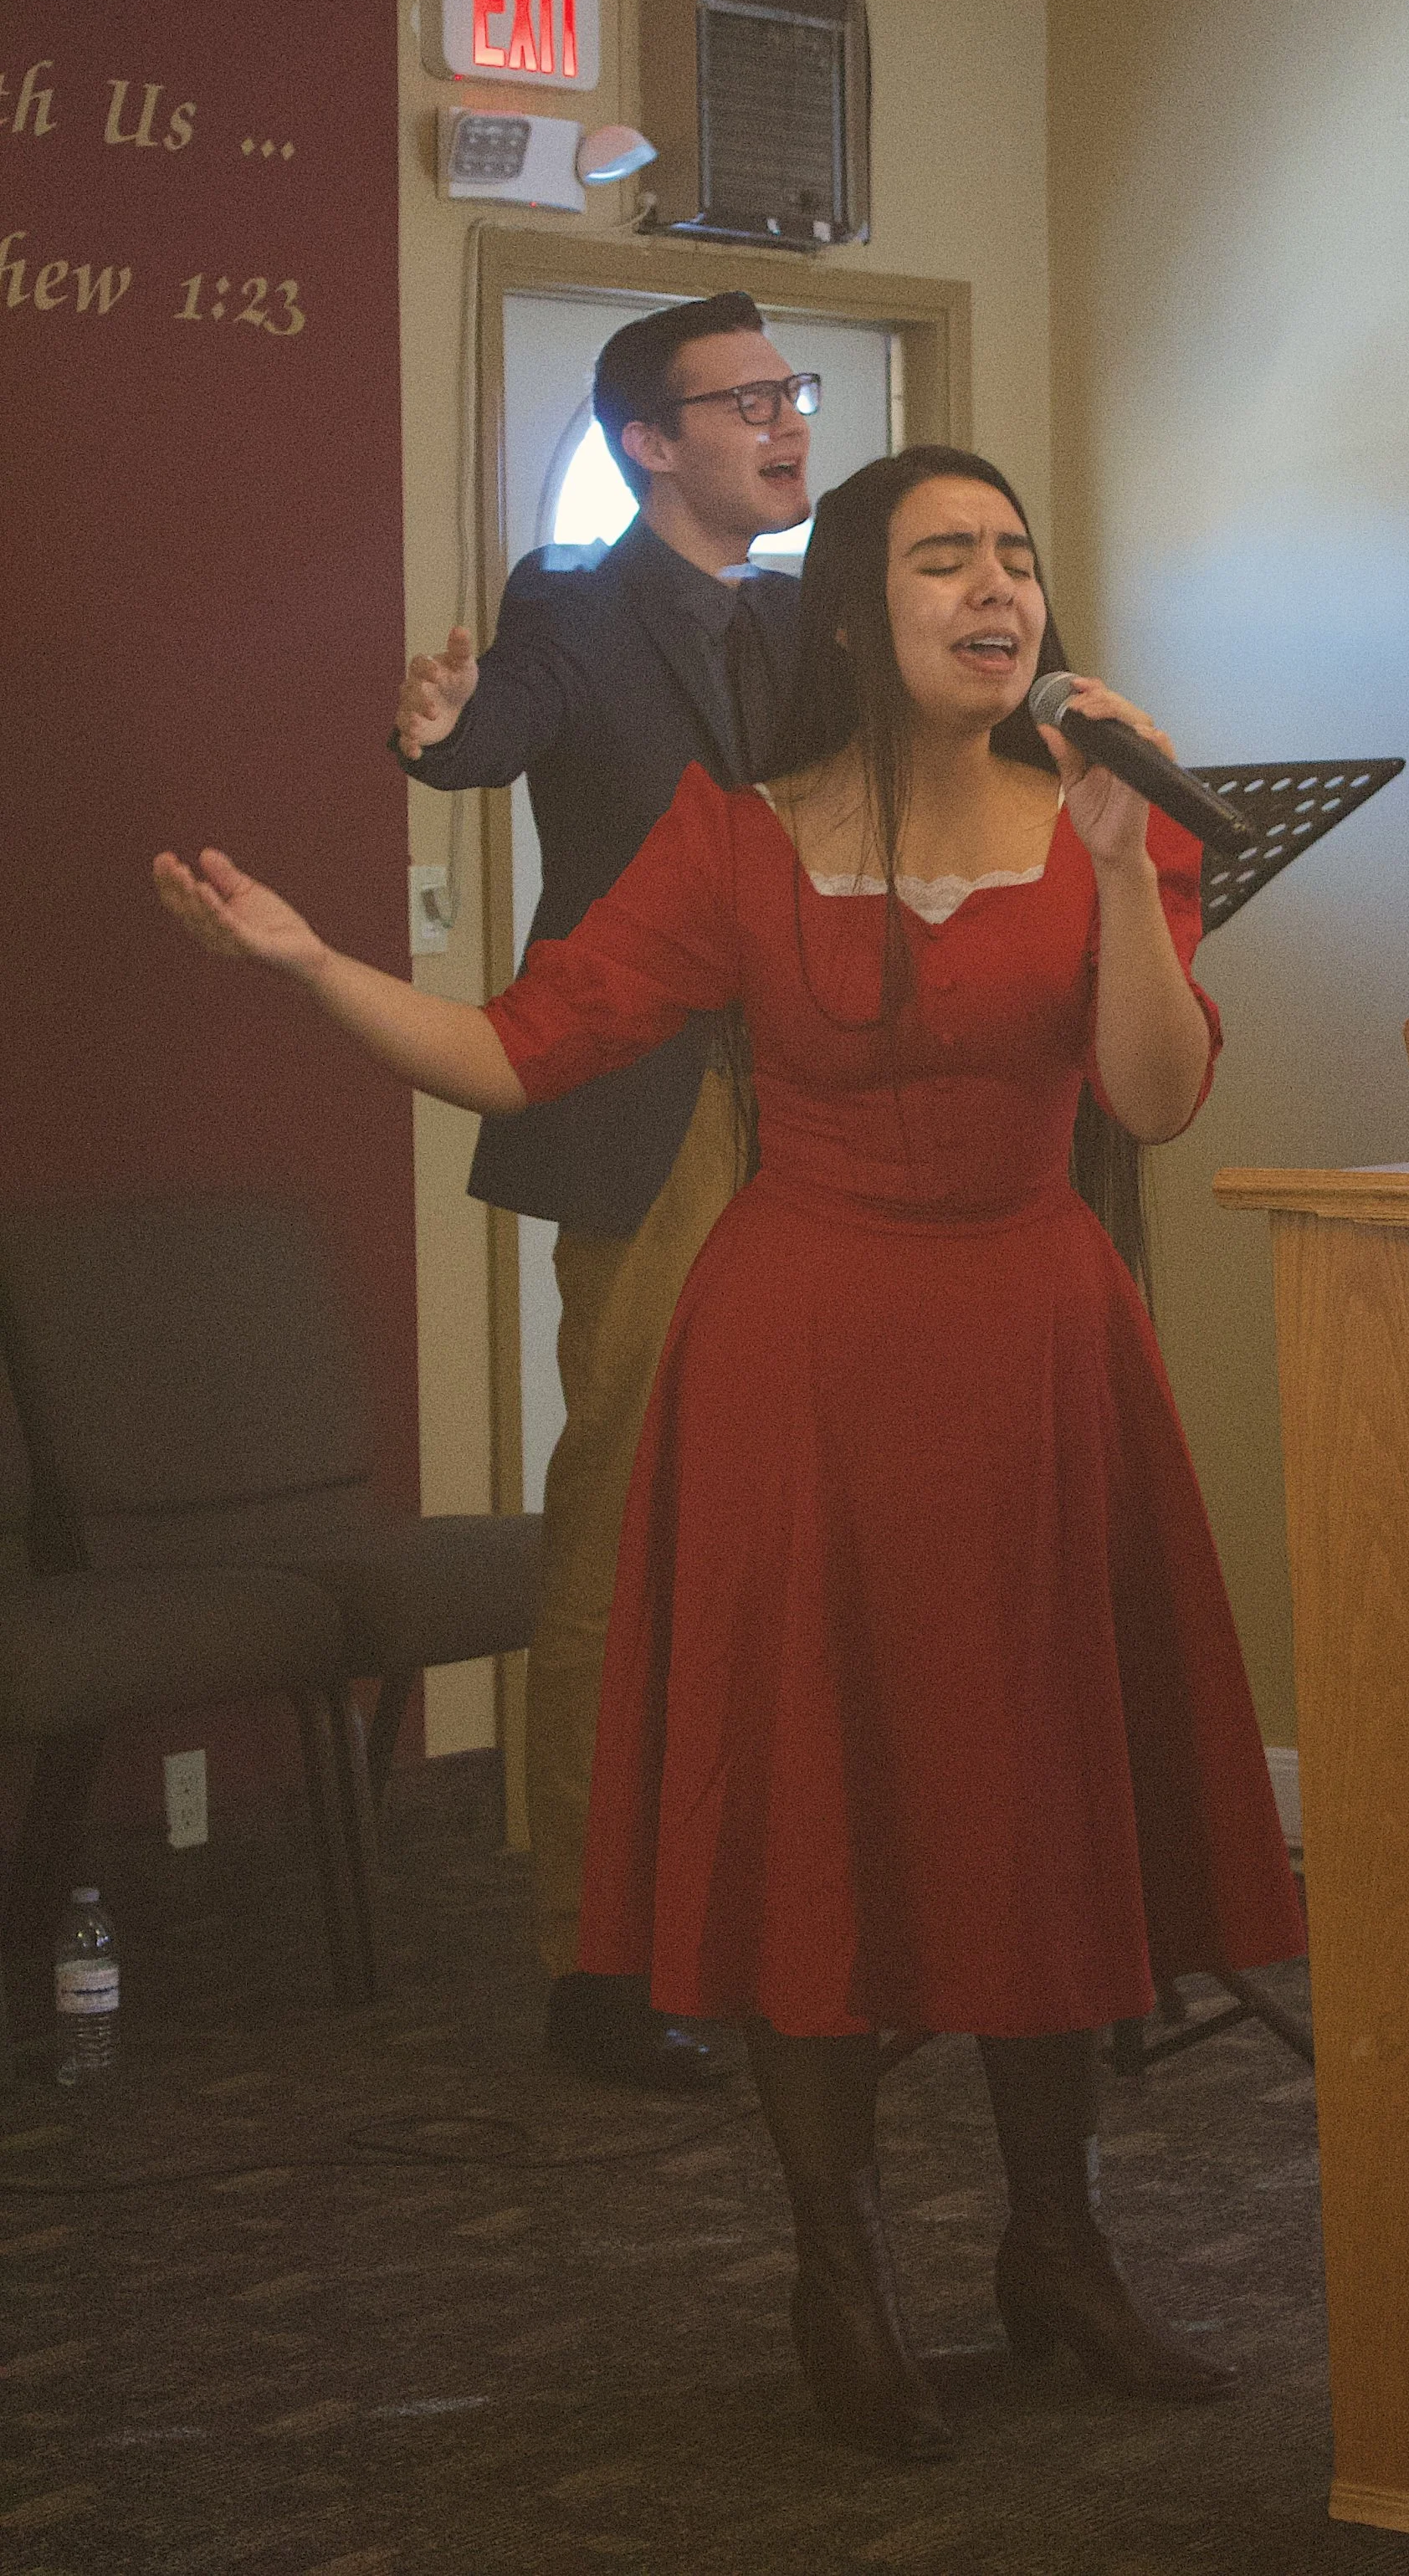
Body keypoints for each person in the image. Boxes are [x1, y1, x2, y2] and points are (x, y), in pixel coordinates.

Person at [156, 444, 1305, 2463]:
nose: (996, 588)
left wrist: (1125, 862)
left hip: (1035, 1338)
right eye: (946, 556)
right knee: (817, 1803)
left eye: (1016, 557)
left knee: (1032, 1794)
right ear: (850, 611)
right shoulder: (735, 840)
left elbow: (1154, 1092)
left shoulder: (1105, 823)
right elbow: (522, 1048)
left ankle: (1060, 2248)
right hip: (802, 1359)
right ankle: (834, 2276)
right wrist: (308, 967)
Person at [393, 290, 808, 2091]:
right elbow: (493, 738)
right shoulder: (572, 596)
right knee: (627, 1519)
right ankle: (595, 1961)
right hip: (650, 1113)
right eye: (747, 403)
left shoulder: (811, 618)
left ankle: (791, 1913)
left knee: (801, 1529)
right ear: (653, 441)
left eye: (795, 394)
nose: (787, 424)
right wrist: (438, 731)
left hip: (829, 1110)